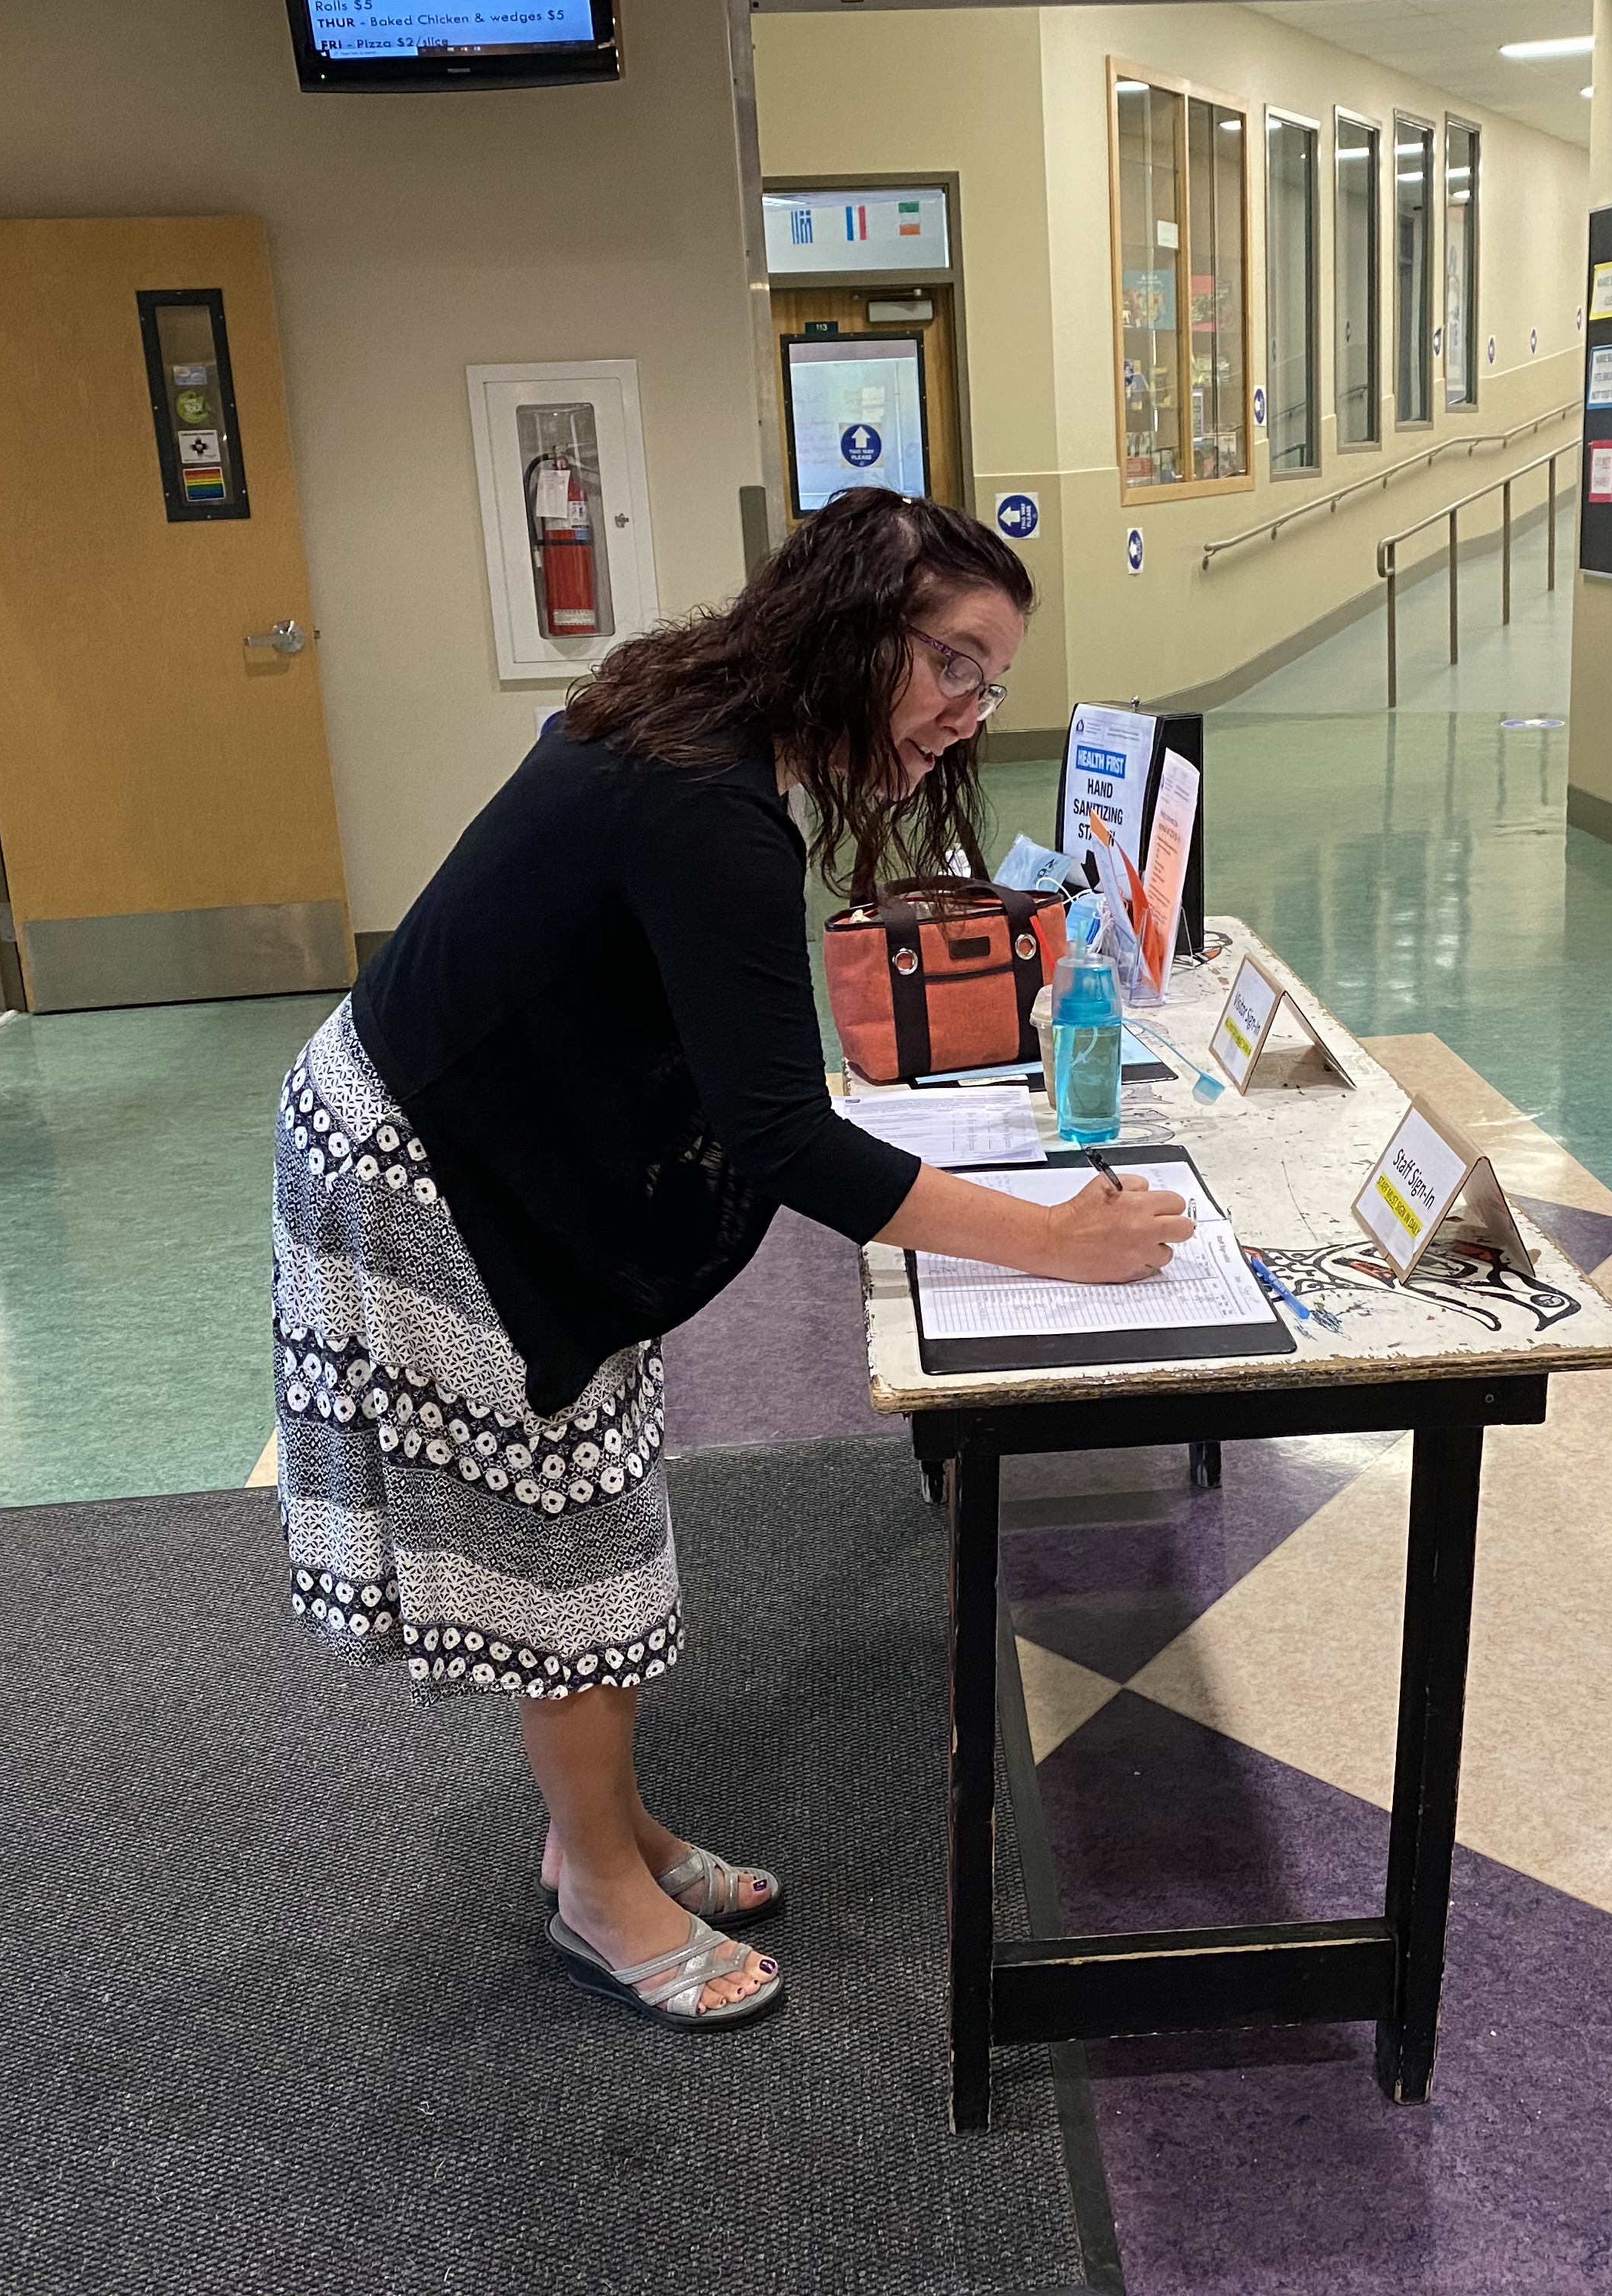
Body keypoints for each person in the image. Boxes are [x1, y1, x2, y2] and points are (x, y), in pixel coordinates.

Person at [271, 488, 1192, 2030]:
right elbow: (785, 1143)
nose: (968, 716)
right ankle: (594, 1885)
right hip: (429, 1165)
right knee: (568, 1535)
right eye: (952, 666)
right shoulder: (709, 804)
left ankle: (606, 1826)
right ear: (851, 630)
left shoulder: (702, 719)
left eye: (991, 686)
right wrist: (1052, 1241)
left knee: (595, 1495)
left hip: (458, 1119)